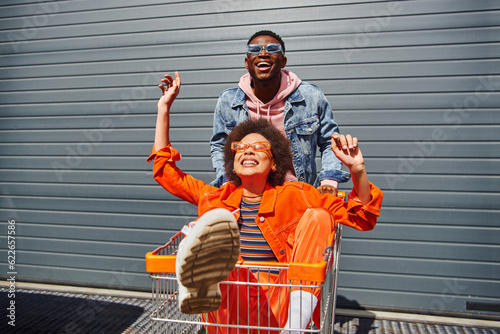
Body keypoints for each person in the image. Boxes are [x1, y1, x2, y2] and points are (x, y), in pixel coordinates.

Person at [148, 72, 383, 333]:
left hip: (279, 304)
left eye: (259, 148)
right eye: (240, 147)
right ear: (232, 162)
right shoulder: (216, 198)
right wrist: (163, 108)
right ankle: (199, 279)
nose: (248, 150)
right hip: (230, 302)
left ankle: (294, 326)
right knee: (214, 220)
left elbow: (361, 215)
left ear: (274, 163)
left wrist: (357, 169)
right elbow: (166, 172)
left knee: (319, 216)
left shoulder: (297, 194)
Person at [210, 30, 349, 196]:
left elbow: (330, 143)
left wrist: (328, 181)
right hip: (247, 195)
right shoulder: (228, 100)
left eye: (272, 49)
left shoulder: (311, 96)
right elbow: (219, 145)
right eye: (254, 50)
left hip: (296, 194)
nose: (263, 53)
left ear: (283, 61)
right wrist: (227, 180)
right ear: (247, 63)